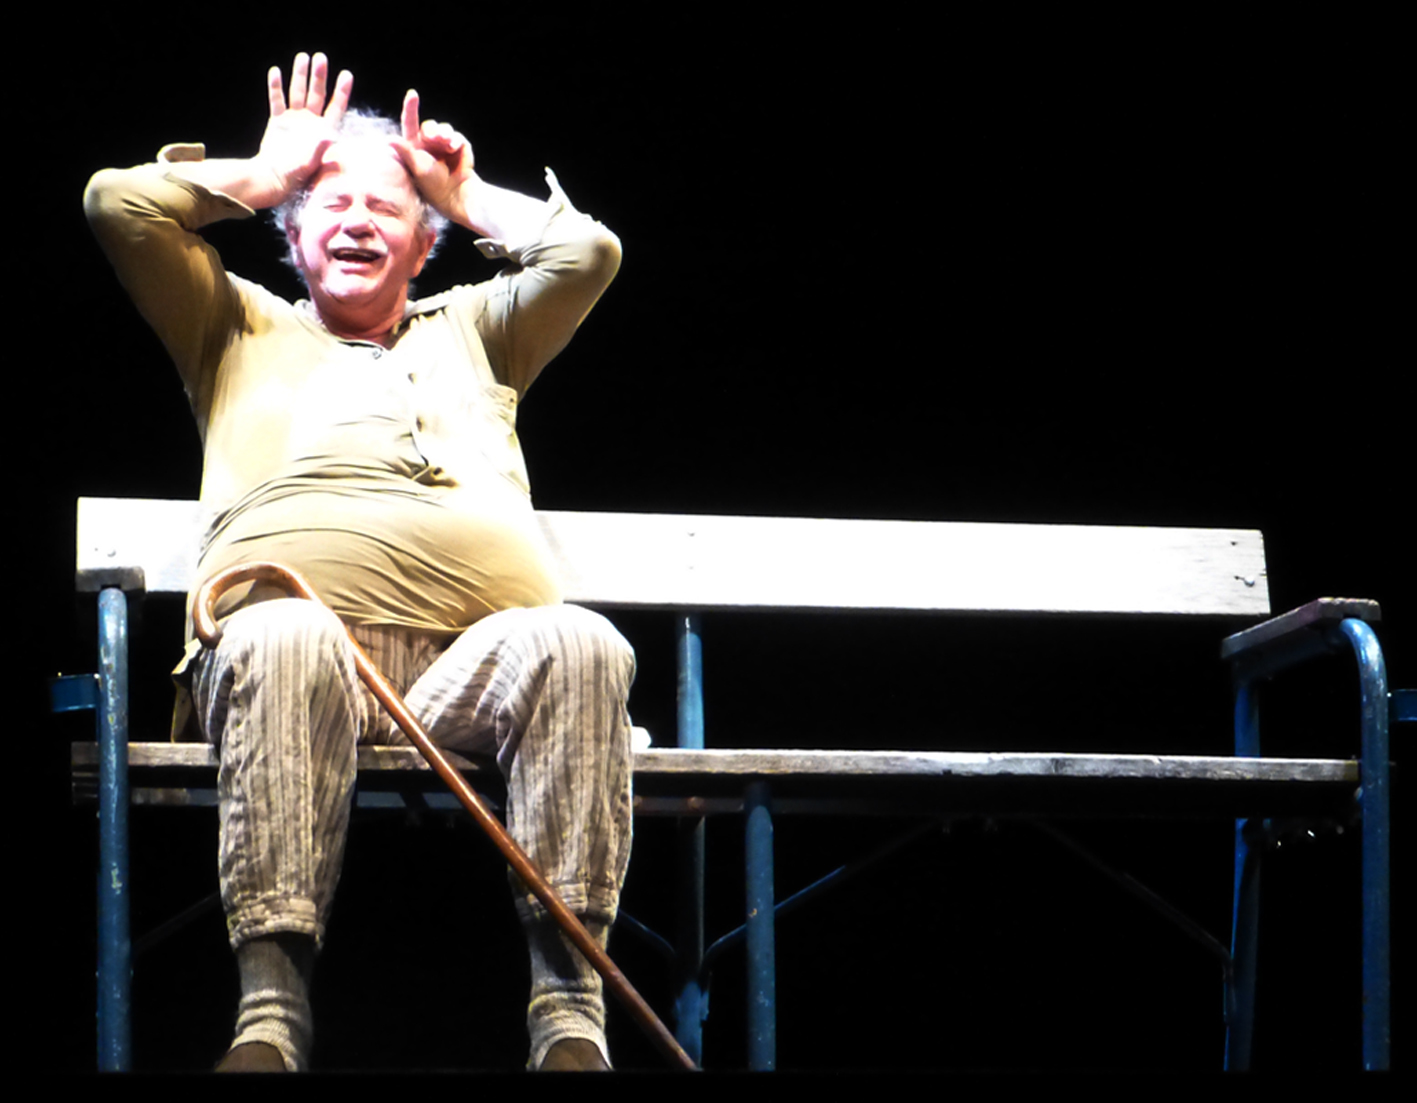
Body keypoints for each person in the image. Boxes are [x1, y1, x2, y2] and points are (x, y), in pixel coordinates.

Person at [84, 52, 630, 1072]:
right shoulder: (233, 323)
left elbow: (587, 254)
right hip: (289, 658)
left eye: (387, 206)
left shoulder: (478, 329)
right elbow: (119, 205)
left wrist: (466, 195)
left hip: (471, 671)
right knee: (286, 631)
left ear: (423, 246)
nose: (358, 221)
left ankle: (570, 1018)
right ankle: (269, 1019)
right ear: (293, 234)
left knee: (581, 642)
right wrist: (263, 172)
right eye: (330, 202)